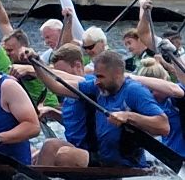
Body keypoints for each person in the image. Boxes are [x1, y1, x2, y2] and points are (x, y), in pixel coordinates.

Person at [32, 49, 168, 168]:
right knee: (50, 146)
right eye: (96, 76)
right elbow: (57, 87)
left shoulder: (135, 91)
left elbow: (163, 125)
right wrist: (36, 63)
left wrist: (128, 116)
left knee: (66, 156)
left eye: (101, 77)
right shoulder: (97, 88)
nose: (96, 81)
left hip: (123, 161)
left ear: (117, 74)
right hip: (100, 154)